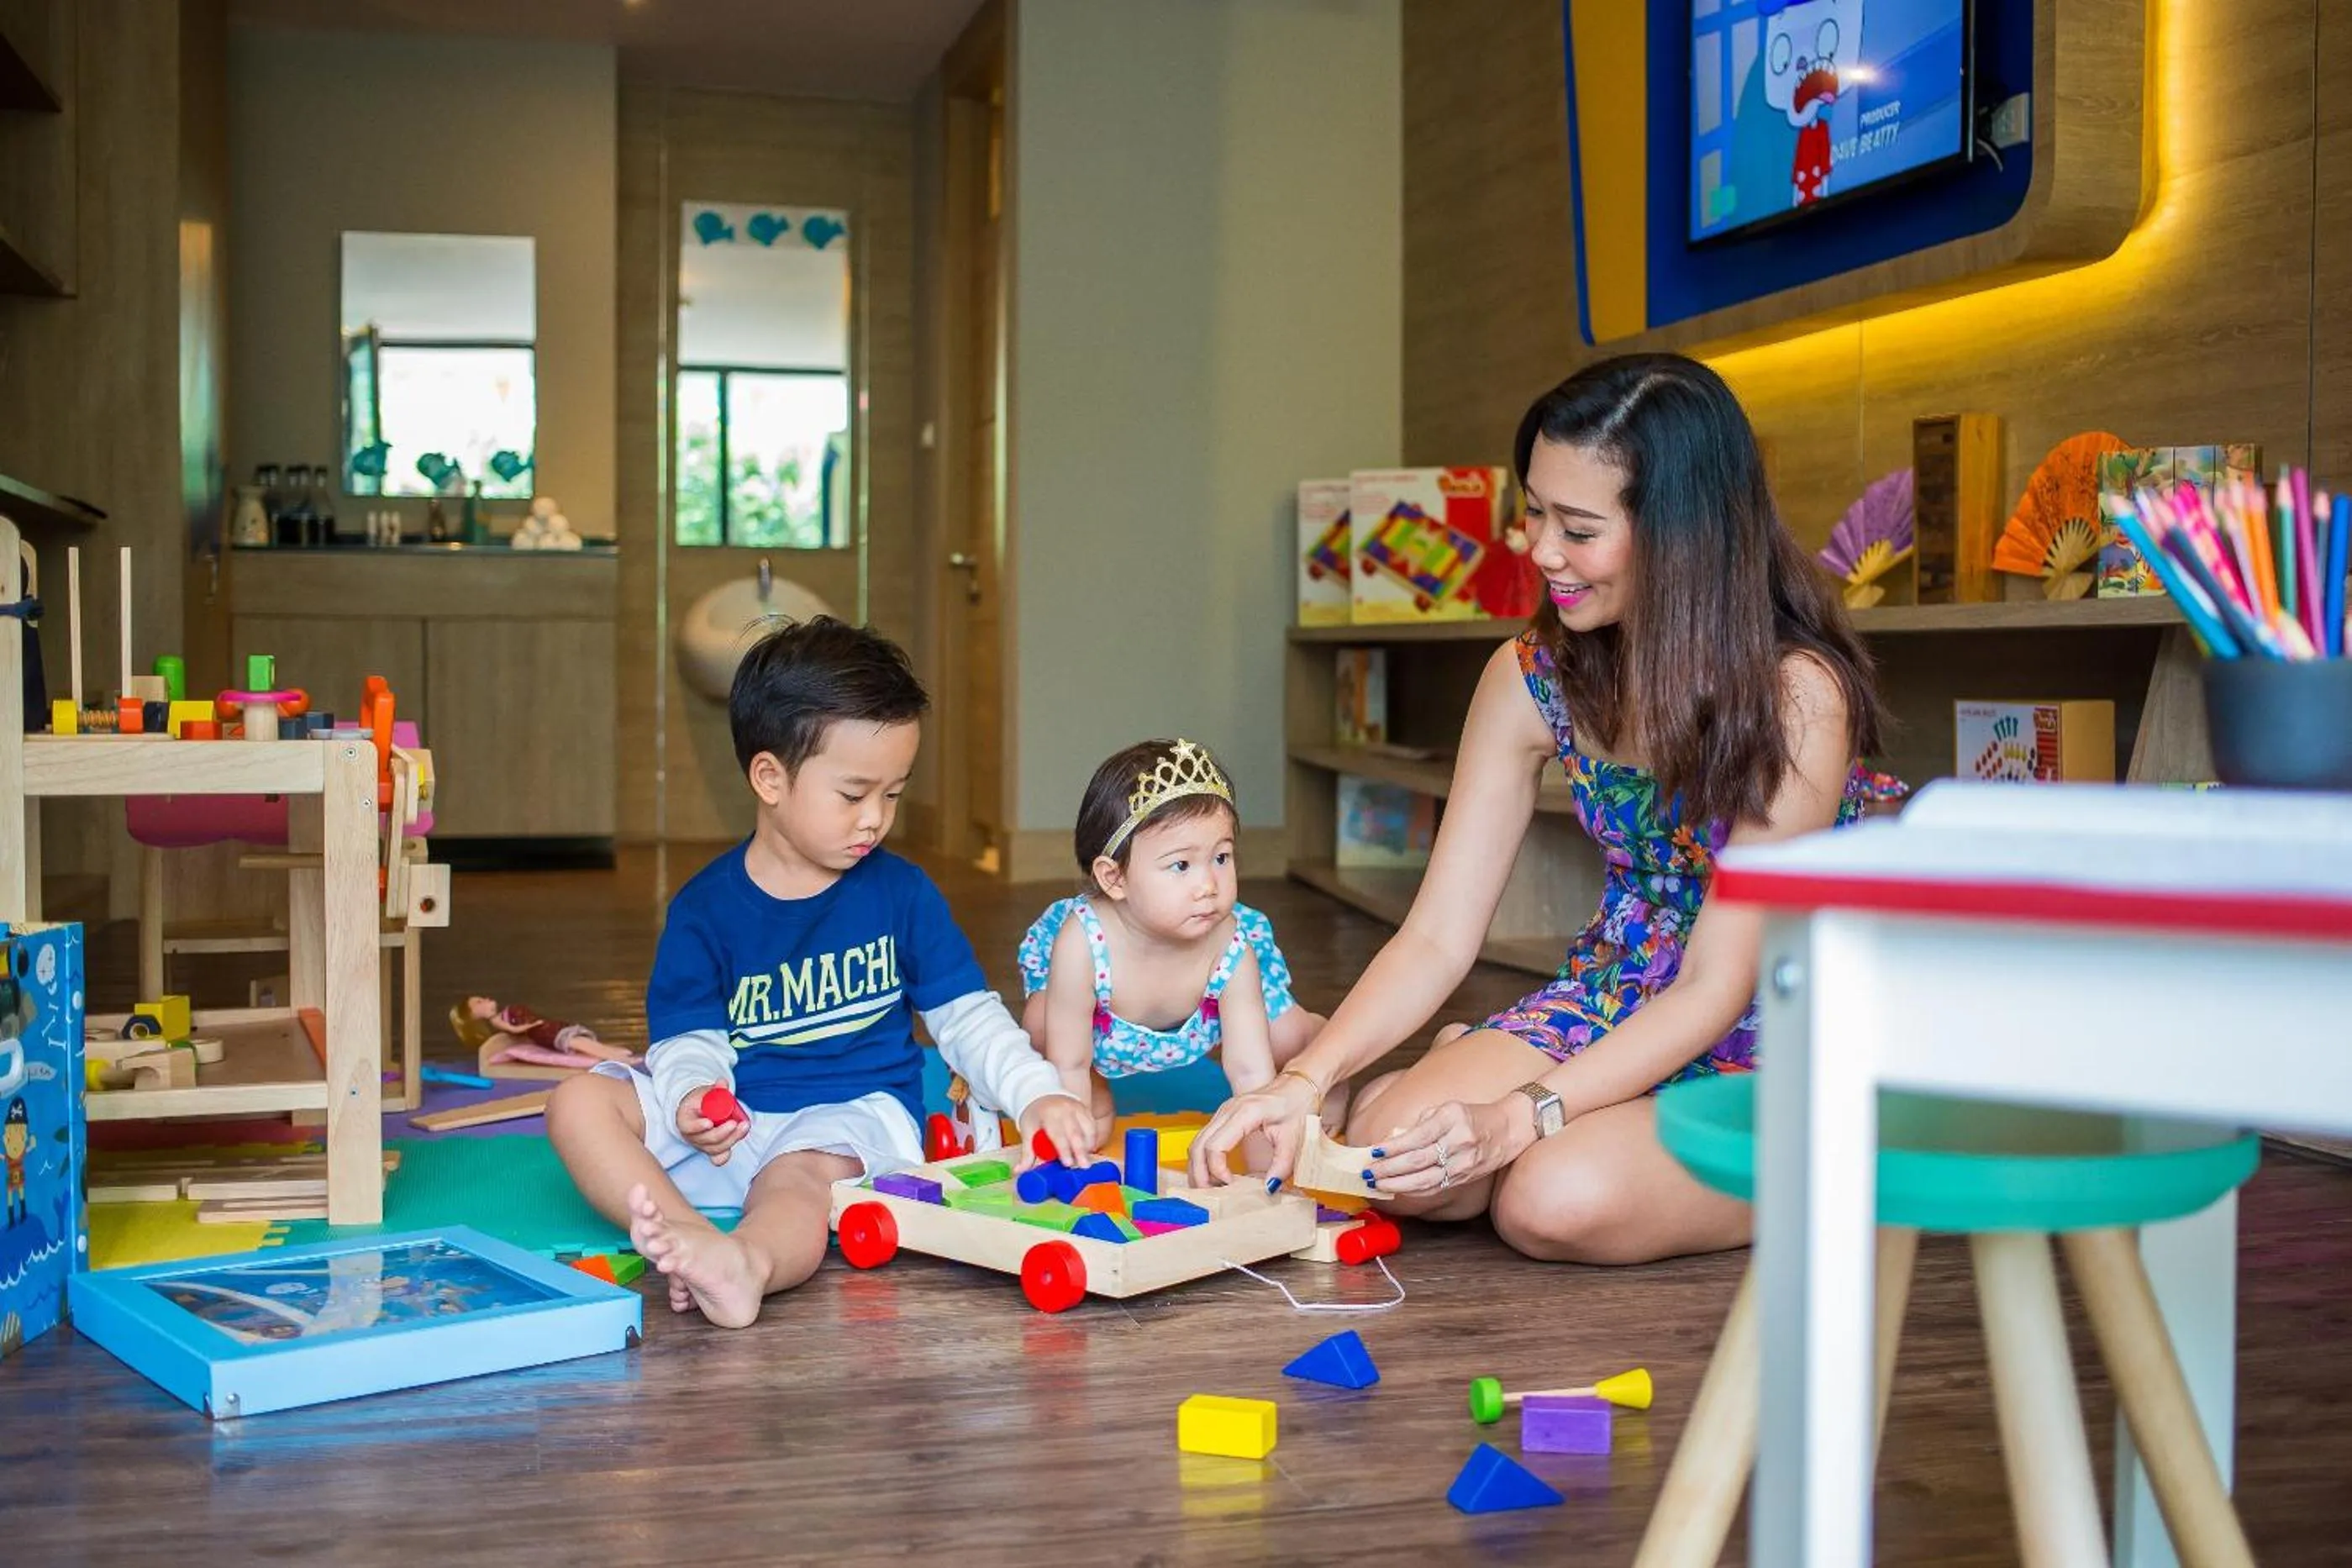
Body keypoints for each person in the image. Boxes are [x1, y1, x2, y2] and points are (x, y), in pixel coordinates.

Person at [1190, 352, 1902, 1265]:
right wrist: (1304, 1078)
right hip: (1622, 992)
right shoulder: (1531, 675)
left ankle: (1847, 1147)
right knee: (1387, 1154)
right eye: (1533, 512)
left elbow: (1718, 985)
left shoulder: (1799, 696)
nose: (1540, 551)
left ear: (1683, 537)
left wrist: (1523, 1115)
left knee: (1550, 1199)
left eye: (1577, 527)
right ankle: (1520, 1088)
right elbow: (1440, 936)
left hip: (1774, 1020)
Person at [548, 618, 1092, 1326]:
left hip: (847, 1122)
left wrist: (1035, 1095)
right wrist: (692, 1096)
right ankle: (687, 1236)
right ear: (770, 778)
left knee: (796, 1177)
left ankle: (749, 1263)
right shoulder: (704, 908)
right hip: (737, 1119)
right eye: (853, 794)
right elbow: (688, 1038)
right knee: (577, 1103)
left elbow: (967, 1020)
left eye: (893, 794)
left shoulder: (903, 894)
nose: (875, 819)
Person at [1015, 739, 1325, 1159]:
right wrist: (1072, 1145)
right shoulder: (1083, 942)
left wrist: (1263, 1178)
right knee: (1042, 1025)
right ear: (1115, 879)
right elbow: (1067, 1063)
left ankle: (1325, 1054)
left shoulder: (1230, 944)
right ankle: (1100, 1090)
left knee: (1285, 1036)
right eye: (1181, 865)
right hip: (1102, 1026)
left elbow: (1250, 1072)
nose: (1208, 886)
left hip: (1214, 1013)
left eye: (1221, 857)